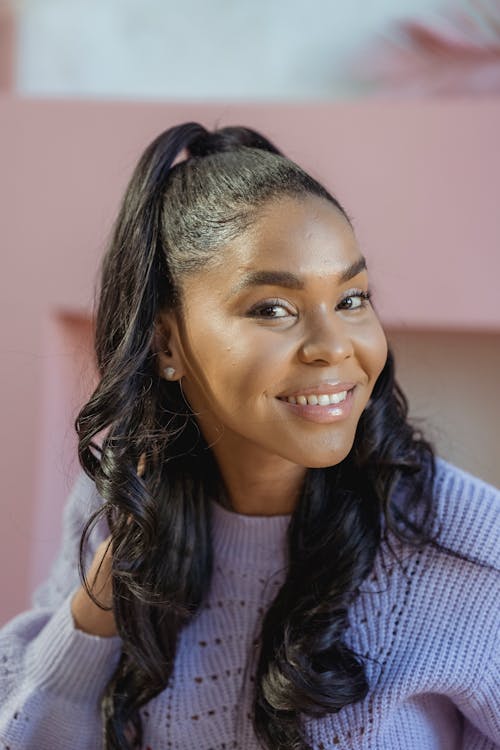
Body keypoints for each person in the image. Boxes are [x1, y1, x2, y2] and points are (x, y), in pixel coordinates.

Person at [0, 122, 498, 750]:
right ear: (167, 344)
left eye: (352, 299)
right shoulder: (117, 508)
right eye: (273, 309)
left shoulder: (468, 545)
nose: (332, 346)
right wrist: (102, 602)